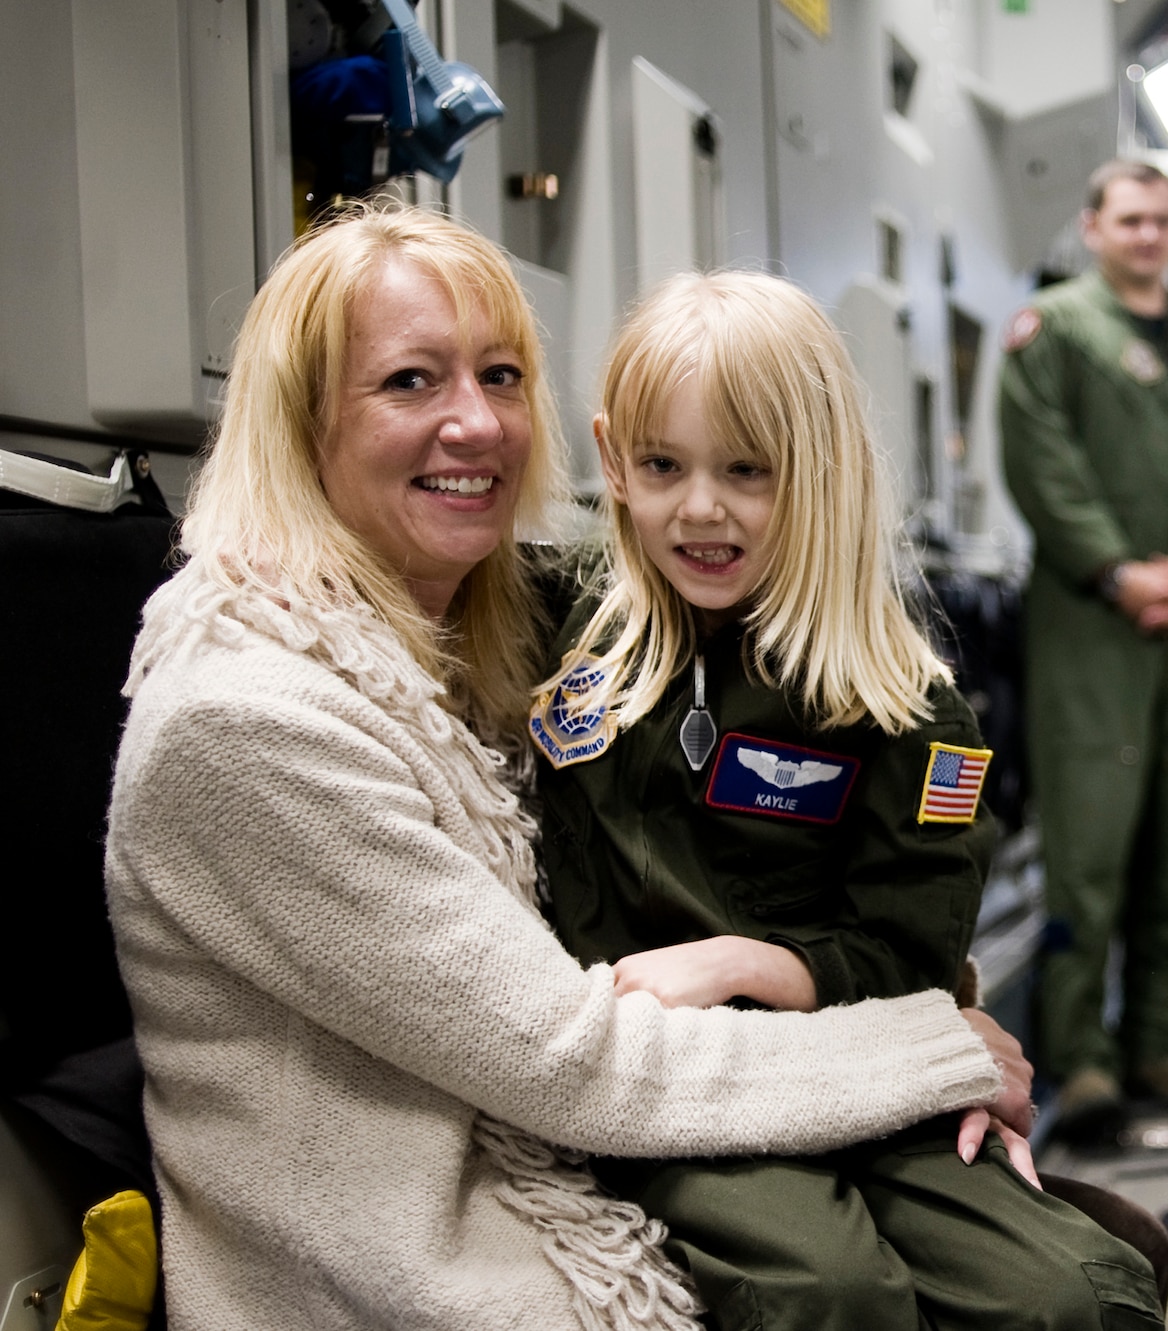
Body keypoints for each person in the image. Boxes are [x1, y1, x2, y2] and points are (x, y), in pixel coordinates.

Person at [103, 204, 1037, 1331]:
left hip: (550, 1164)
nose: (474, 424)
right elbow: (570, 1056)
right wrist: (926, 1047)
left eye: (498, 375)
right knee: (841, 1296)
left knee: (1064, 1282)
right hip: (412, 1265)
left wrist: (920, 994)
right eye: (409, 381)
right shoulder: (247, 720)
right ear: (302, 425)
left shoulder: (494, 633)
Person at [529, 271, 1164, 1331]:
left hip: (855, 1064)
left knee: (1072, 1298)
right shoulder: (562, 635)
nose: (700, 507)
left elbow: (912, 953)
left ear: (823, 471)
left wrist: (742, 962)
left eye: (748, 469)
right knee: (829, 1291)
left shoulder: (897, 705)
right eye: (661, 465)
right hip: (672, 1091)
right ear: (611, 461)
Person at [998, 160, 1168, 1141]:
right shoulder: (1055, 336)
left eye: (1161, 220)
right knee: (1089, 846)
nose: (1146, 234)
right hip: (1093, 625)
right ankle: (1079, 1054)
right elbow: (1041, 462)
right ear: (1091, 228)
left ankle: (1157, 1038)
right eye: (1128, 219)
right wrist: (1121, 572)